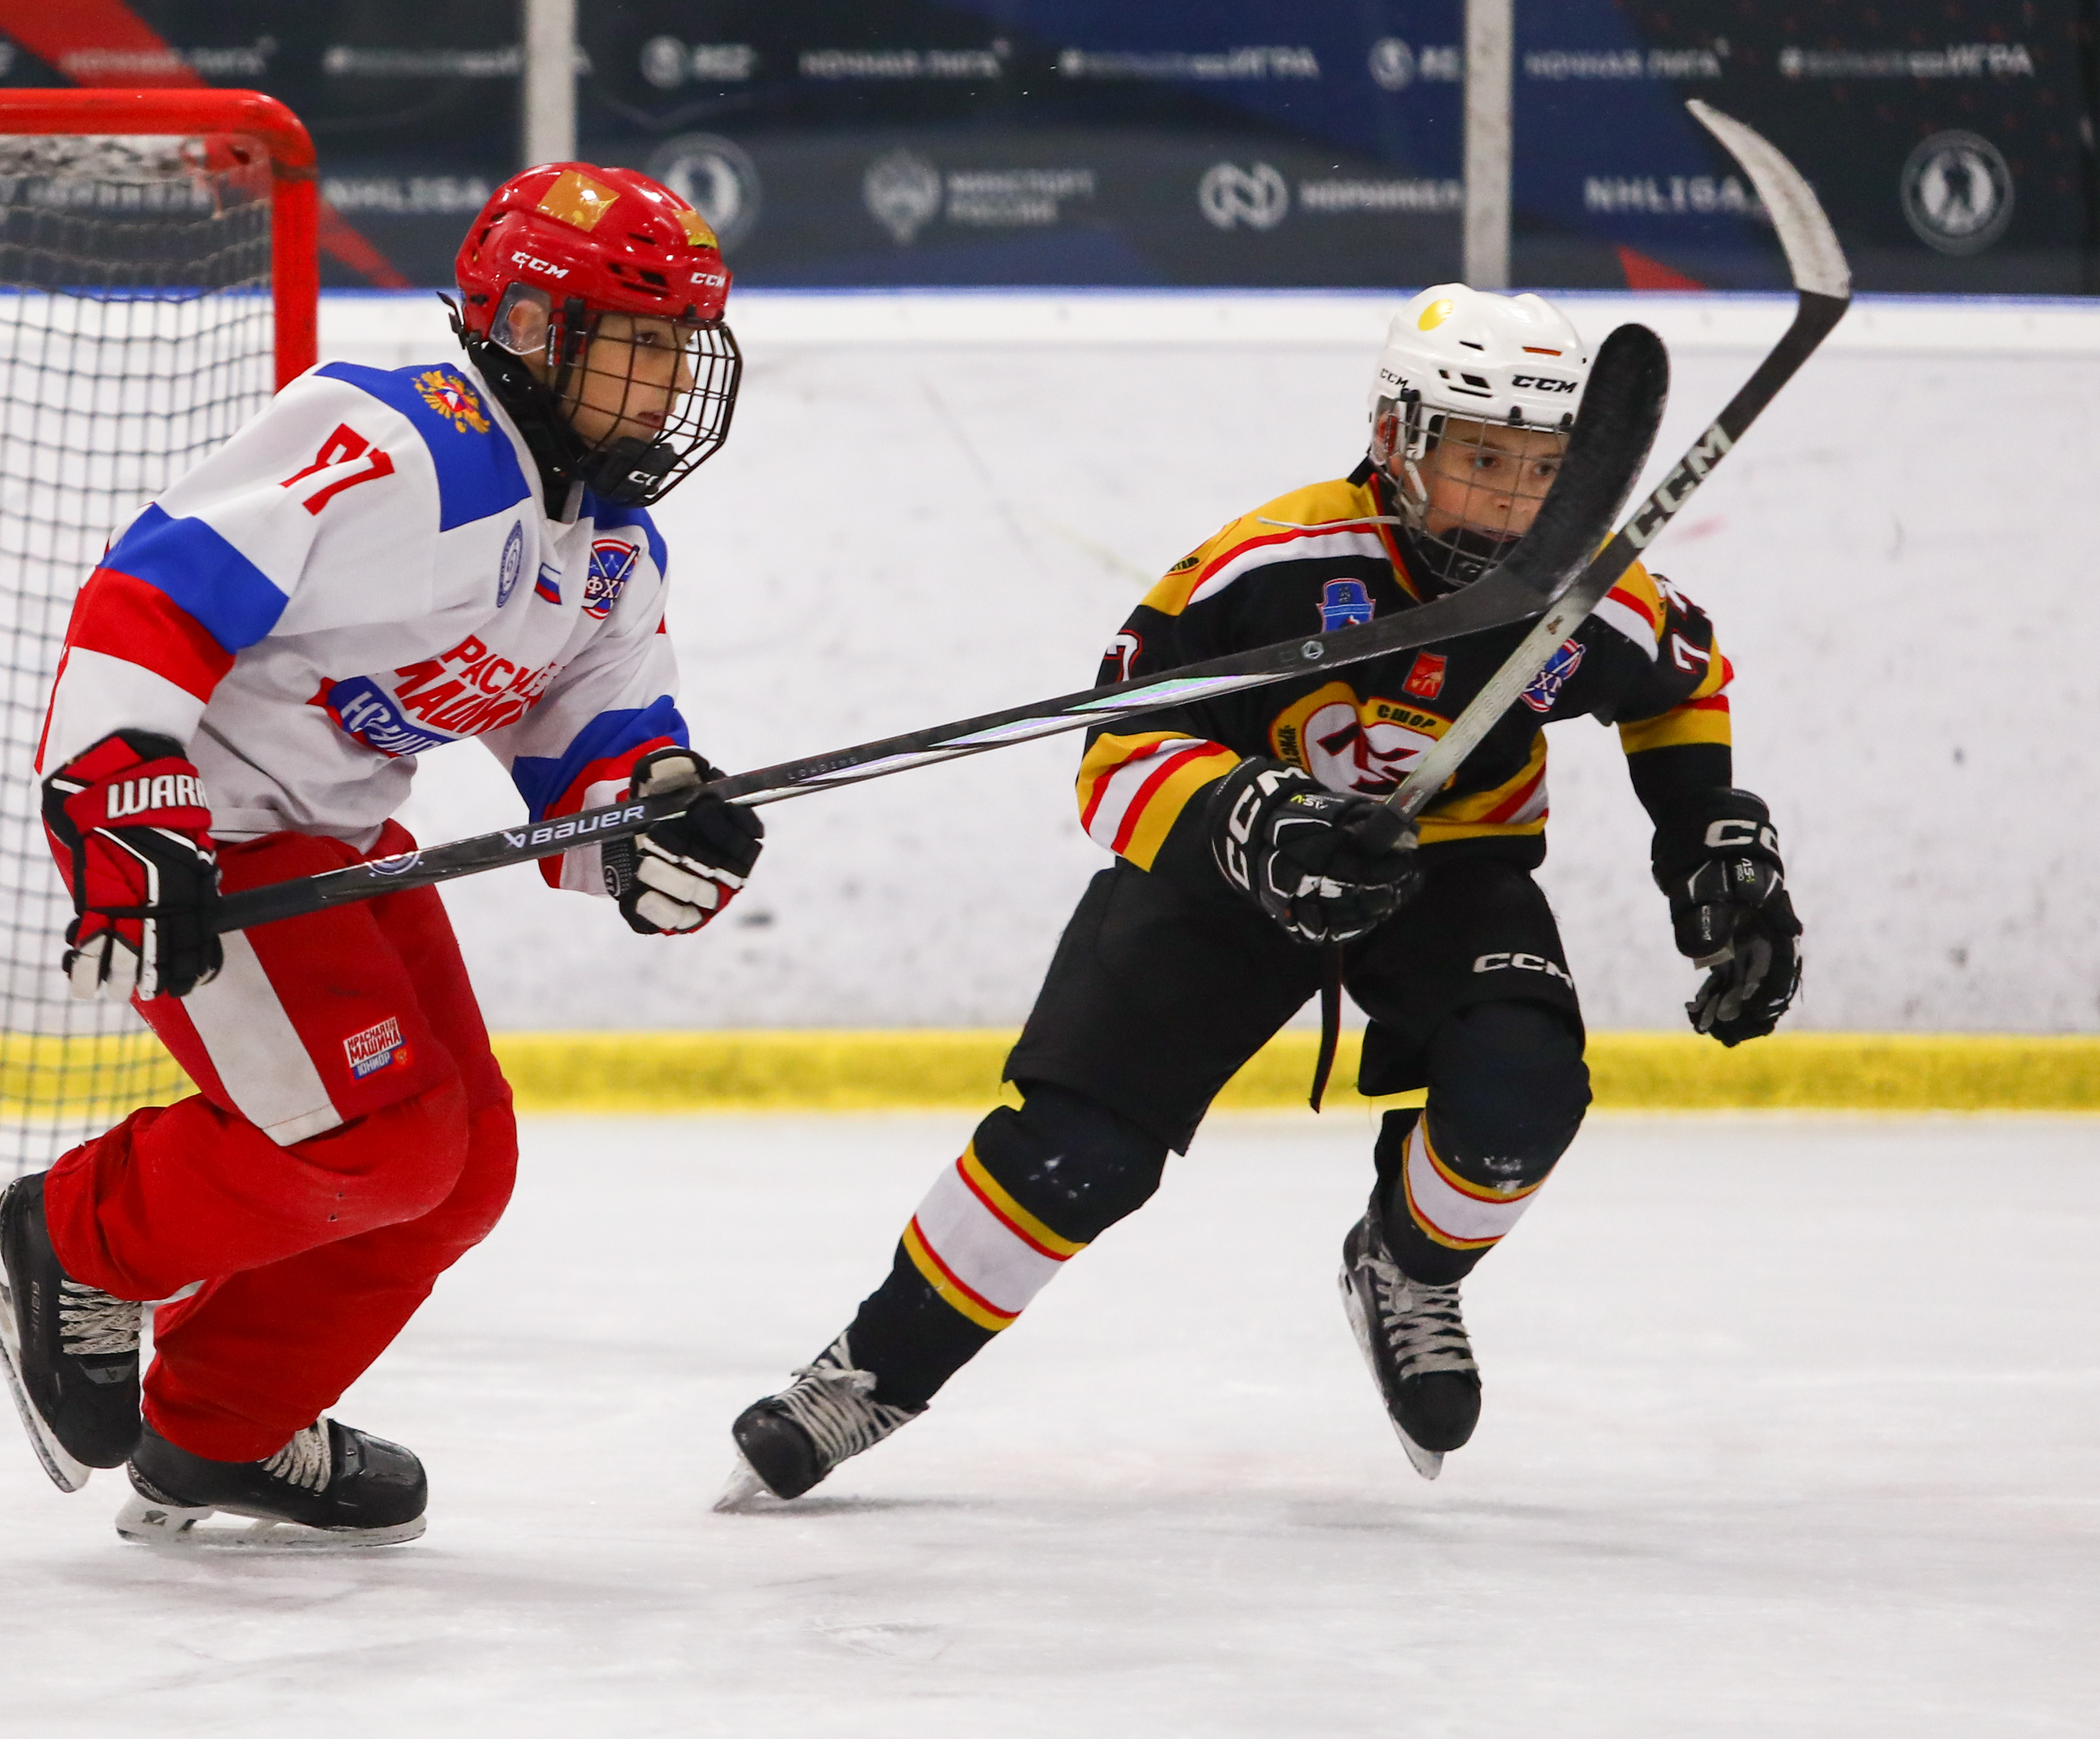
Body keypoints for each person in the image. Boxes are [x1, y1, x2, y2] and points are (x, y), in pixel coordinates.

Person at [725, 284, 1802, 1498]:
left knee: (1521, 1097)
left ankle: (1405, 1269)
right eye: (1481, 458)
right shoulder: (1273, 564)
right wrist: (1247, 817)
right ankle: (869, 1374)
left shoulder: (1593, 589)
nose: (1513, 500)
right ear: (1396, 437)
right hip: (1232, 871)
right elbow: (1115, 749)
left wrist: (1706, 833)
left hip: (1451, 871)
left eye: (1543, 467)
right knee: (1079, 1150)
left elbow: (1682, 685)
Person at [0, 164, 765, 1546]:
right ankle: (74, 1237)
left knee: (463, 1171)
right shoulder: (401, 443)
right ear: (528, 326)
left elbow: (588, 744)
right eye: (639, 342)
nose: (668, 382)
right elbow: (157, 588)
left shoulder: (609, 546)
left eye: (681, 347)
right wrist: (122, 797)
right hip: (199, 828)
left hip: (333, 839)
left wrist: (653, 819)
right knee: (380, 1144)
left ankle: (220, 1429)